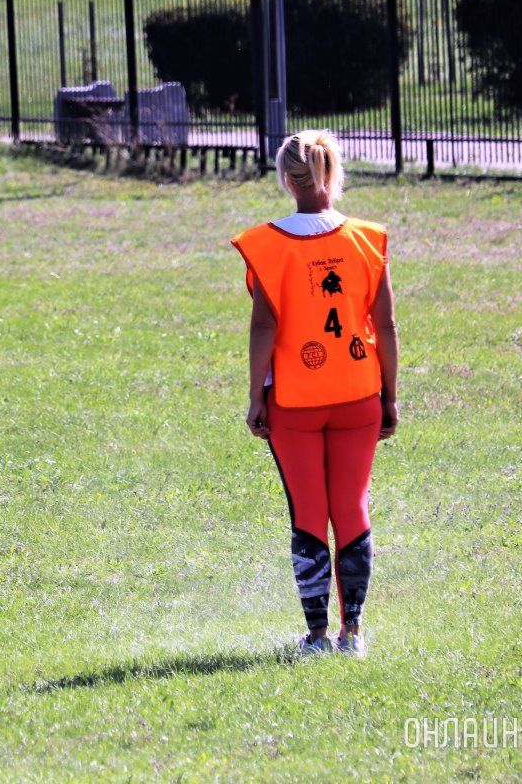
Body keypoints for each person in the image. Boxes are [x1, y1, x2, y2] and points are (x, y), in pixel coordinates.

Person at [230, 131, 398, 658]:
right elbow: (386, 325)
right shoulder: (367, 239)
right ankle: (354, 634)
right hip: (358, 395)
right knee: (350, 507)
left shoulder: (267, 244)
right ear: (333, 172)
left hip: (295, 403)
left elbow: (263, 327)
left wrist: (257, 395)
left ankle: (317, 635)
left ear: (286, 180)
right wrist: (389, 396)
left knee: (308, 512)